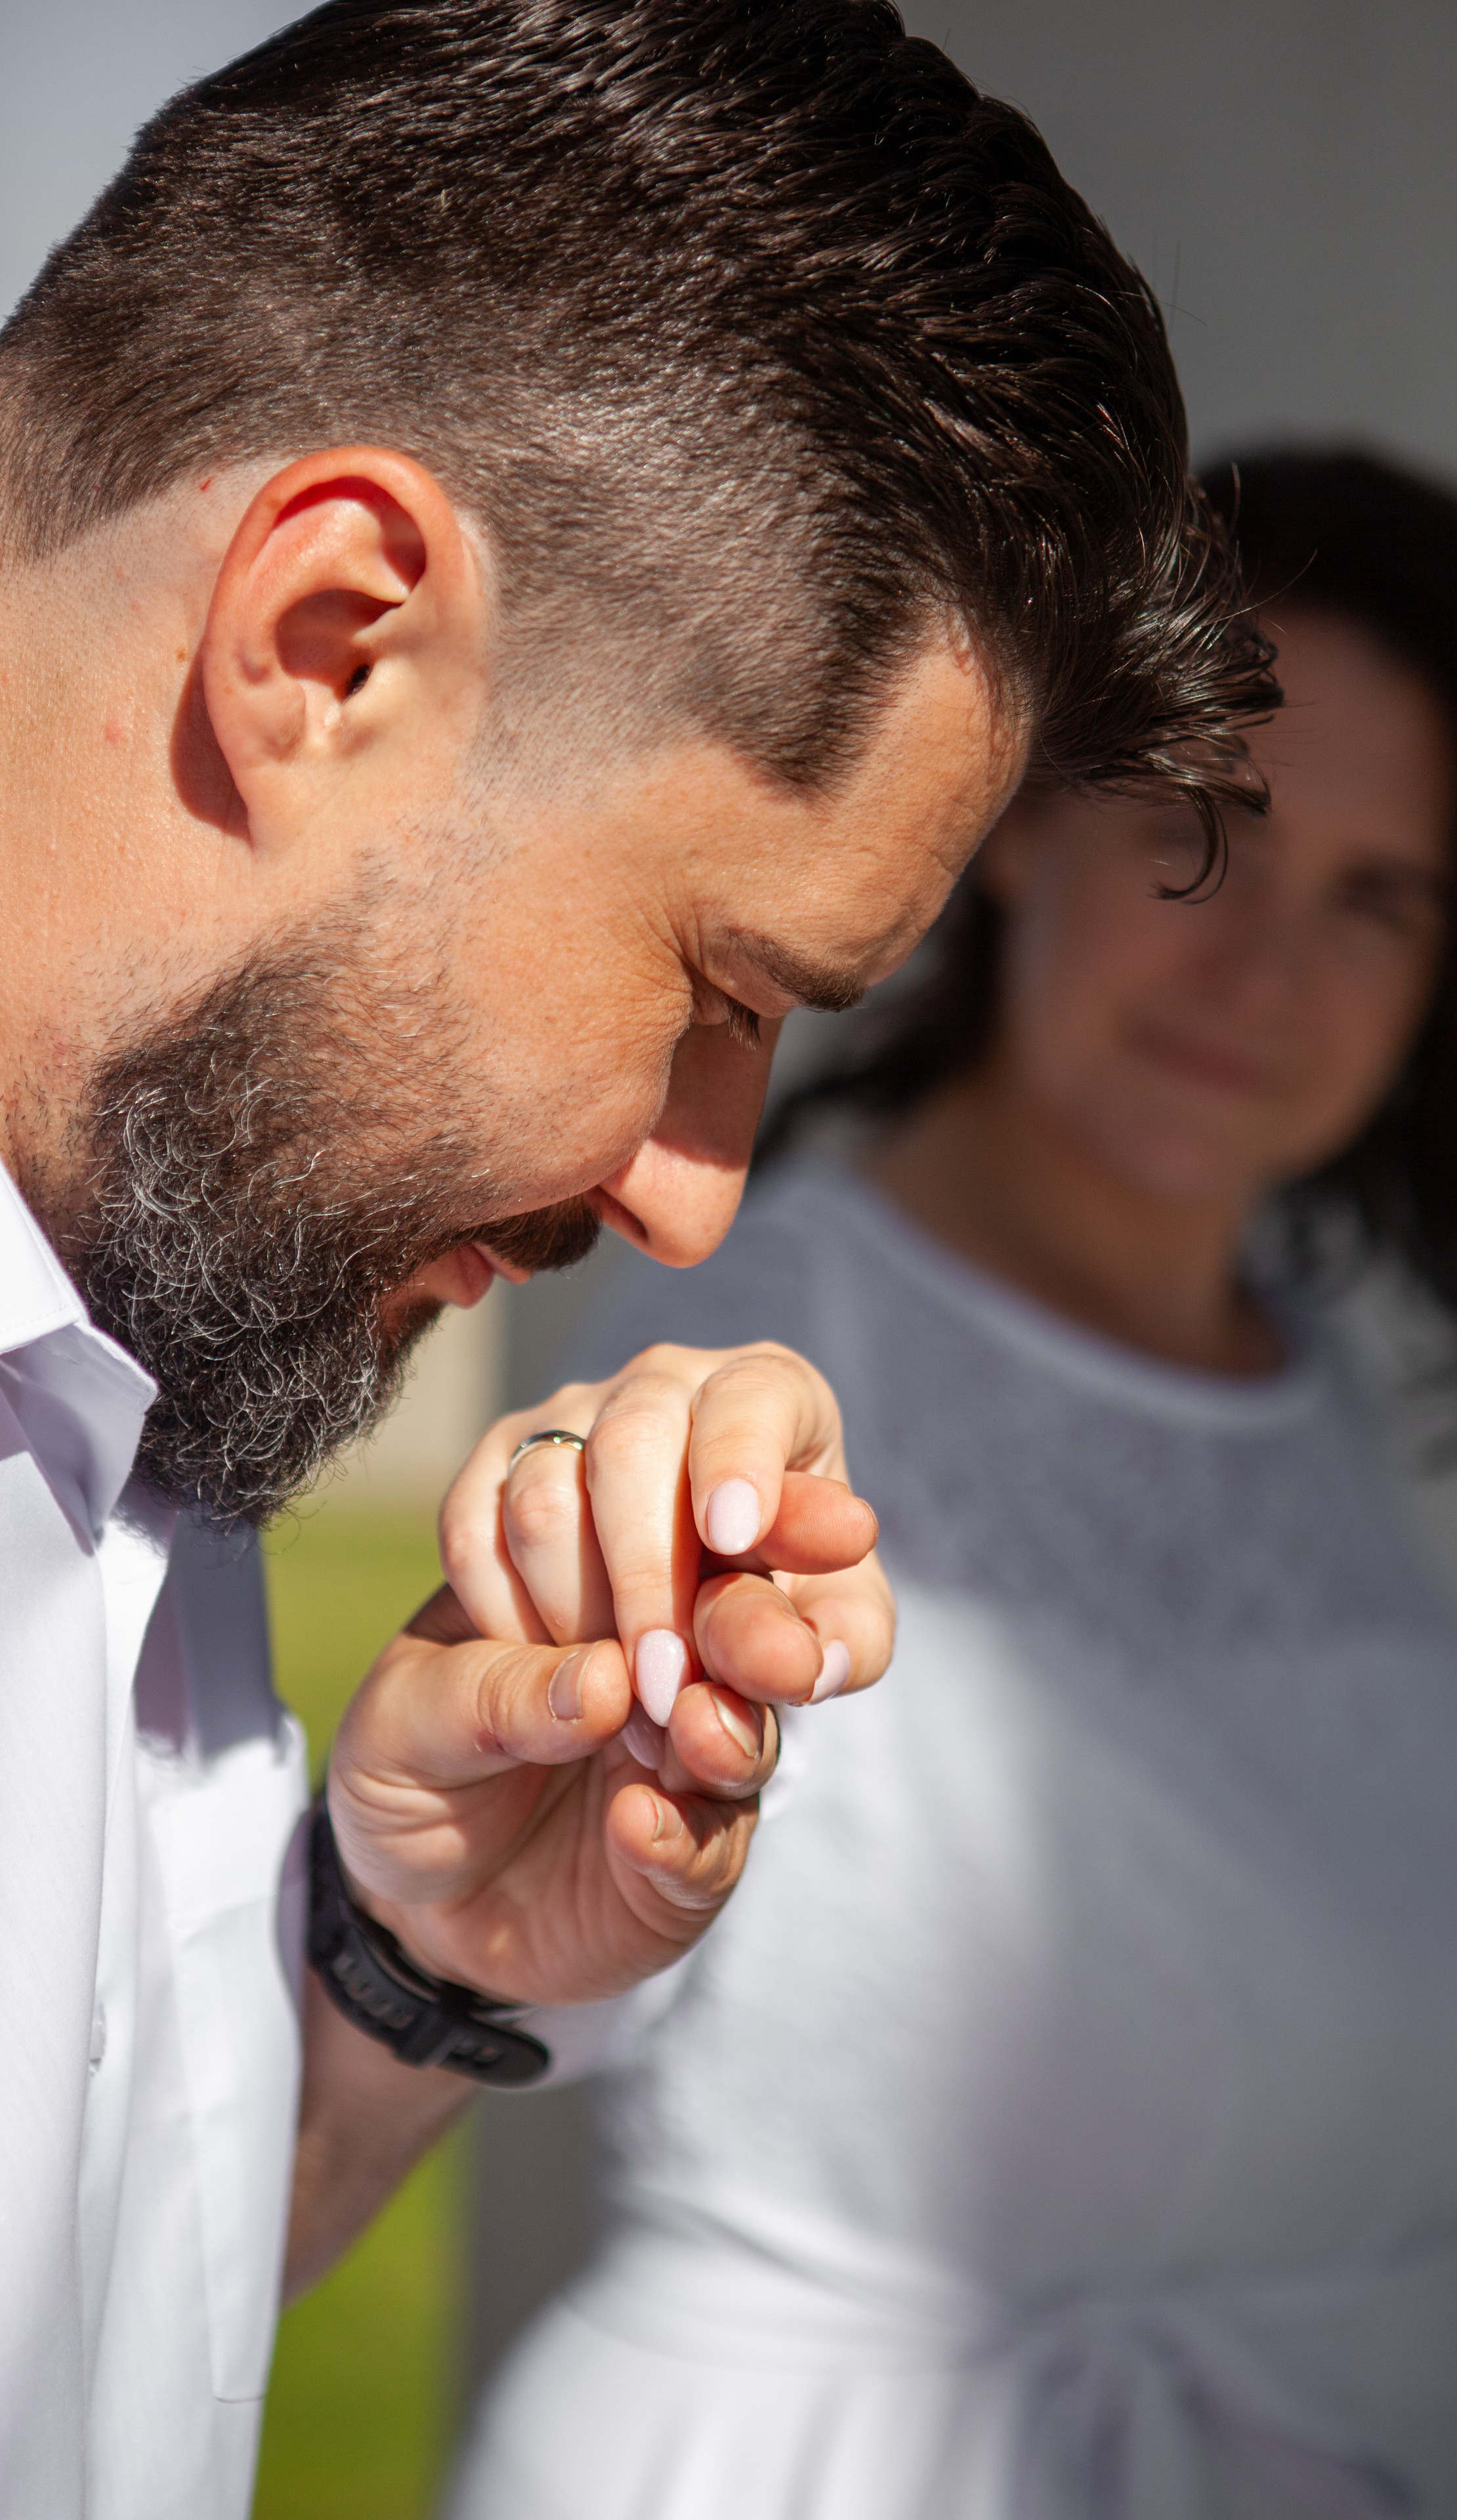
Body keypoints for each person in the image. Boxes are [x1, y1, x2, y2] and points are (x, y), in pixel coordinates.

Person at [0, 4, 1277, 2512]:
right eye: (720, 992)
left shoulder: (140, 1307)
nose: (697, 1196)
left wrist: (402, 1966)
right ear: (334, 642)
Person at [450, 450, 1457, 2520]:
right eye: (1211, 835)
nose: (1267, 973)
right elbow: (511, 1932)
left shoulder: (1306, 1382)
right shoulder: (748, 1346)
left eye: (1381, 902)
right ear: (1017, 814)